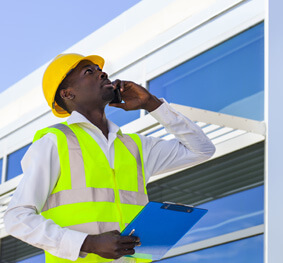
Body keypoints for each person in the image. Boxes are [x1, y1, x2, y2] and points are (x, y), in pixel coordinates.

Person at [4, 53, 215, 263]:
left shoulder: (135, 146)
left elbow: (202, 150)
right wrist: (88, 243)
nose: (102, 73)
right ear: (68, 93)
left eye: (99, 69)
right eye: (89, 72)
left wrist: (151, 104)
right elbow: (17, 218)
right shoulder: (54, 142)